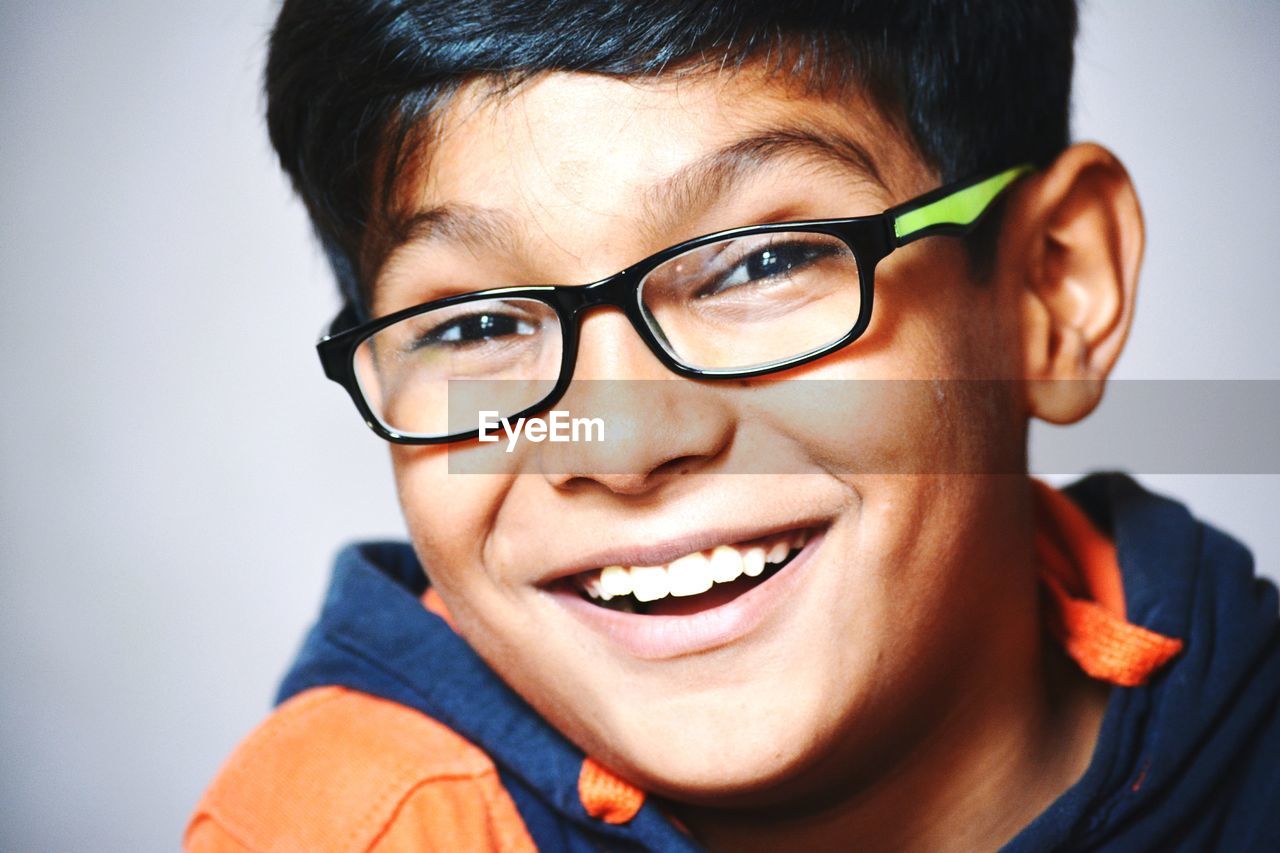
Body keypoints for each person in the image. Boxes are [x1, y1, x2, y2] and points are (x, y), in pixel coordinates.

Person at [187, 1, 1280, 849]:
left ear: (1050, 287)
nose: (618, 442)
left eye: (760, 264)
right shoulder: (348, 825)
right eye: (472, 324)